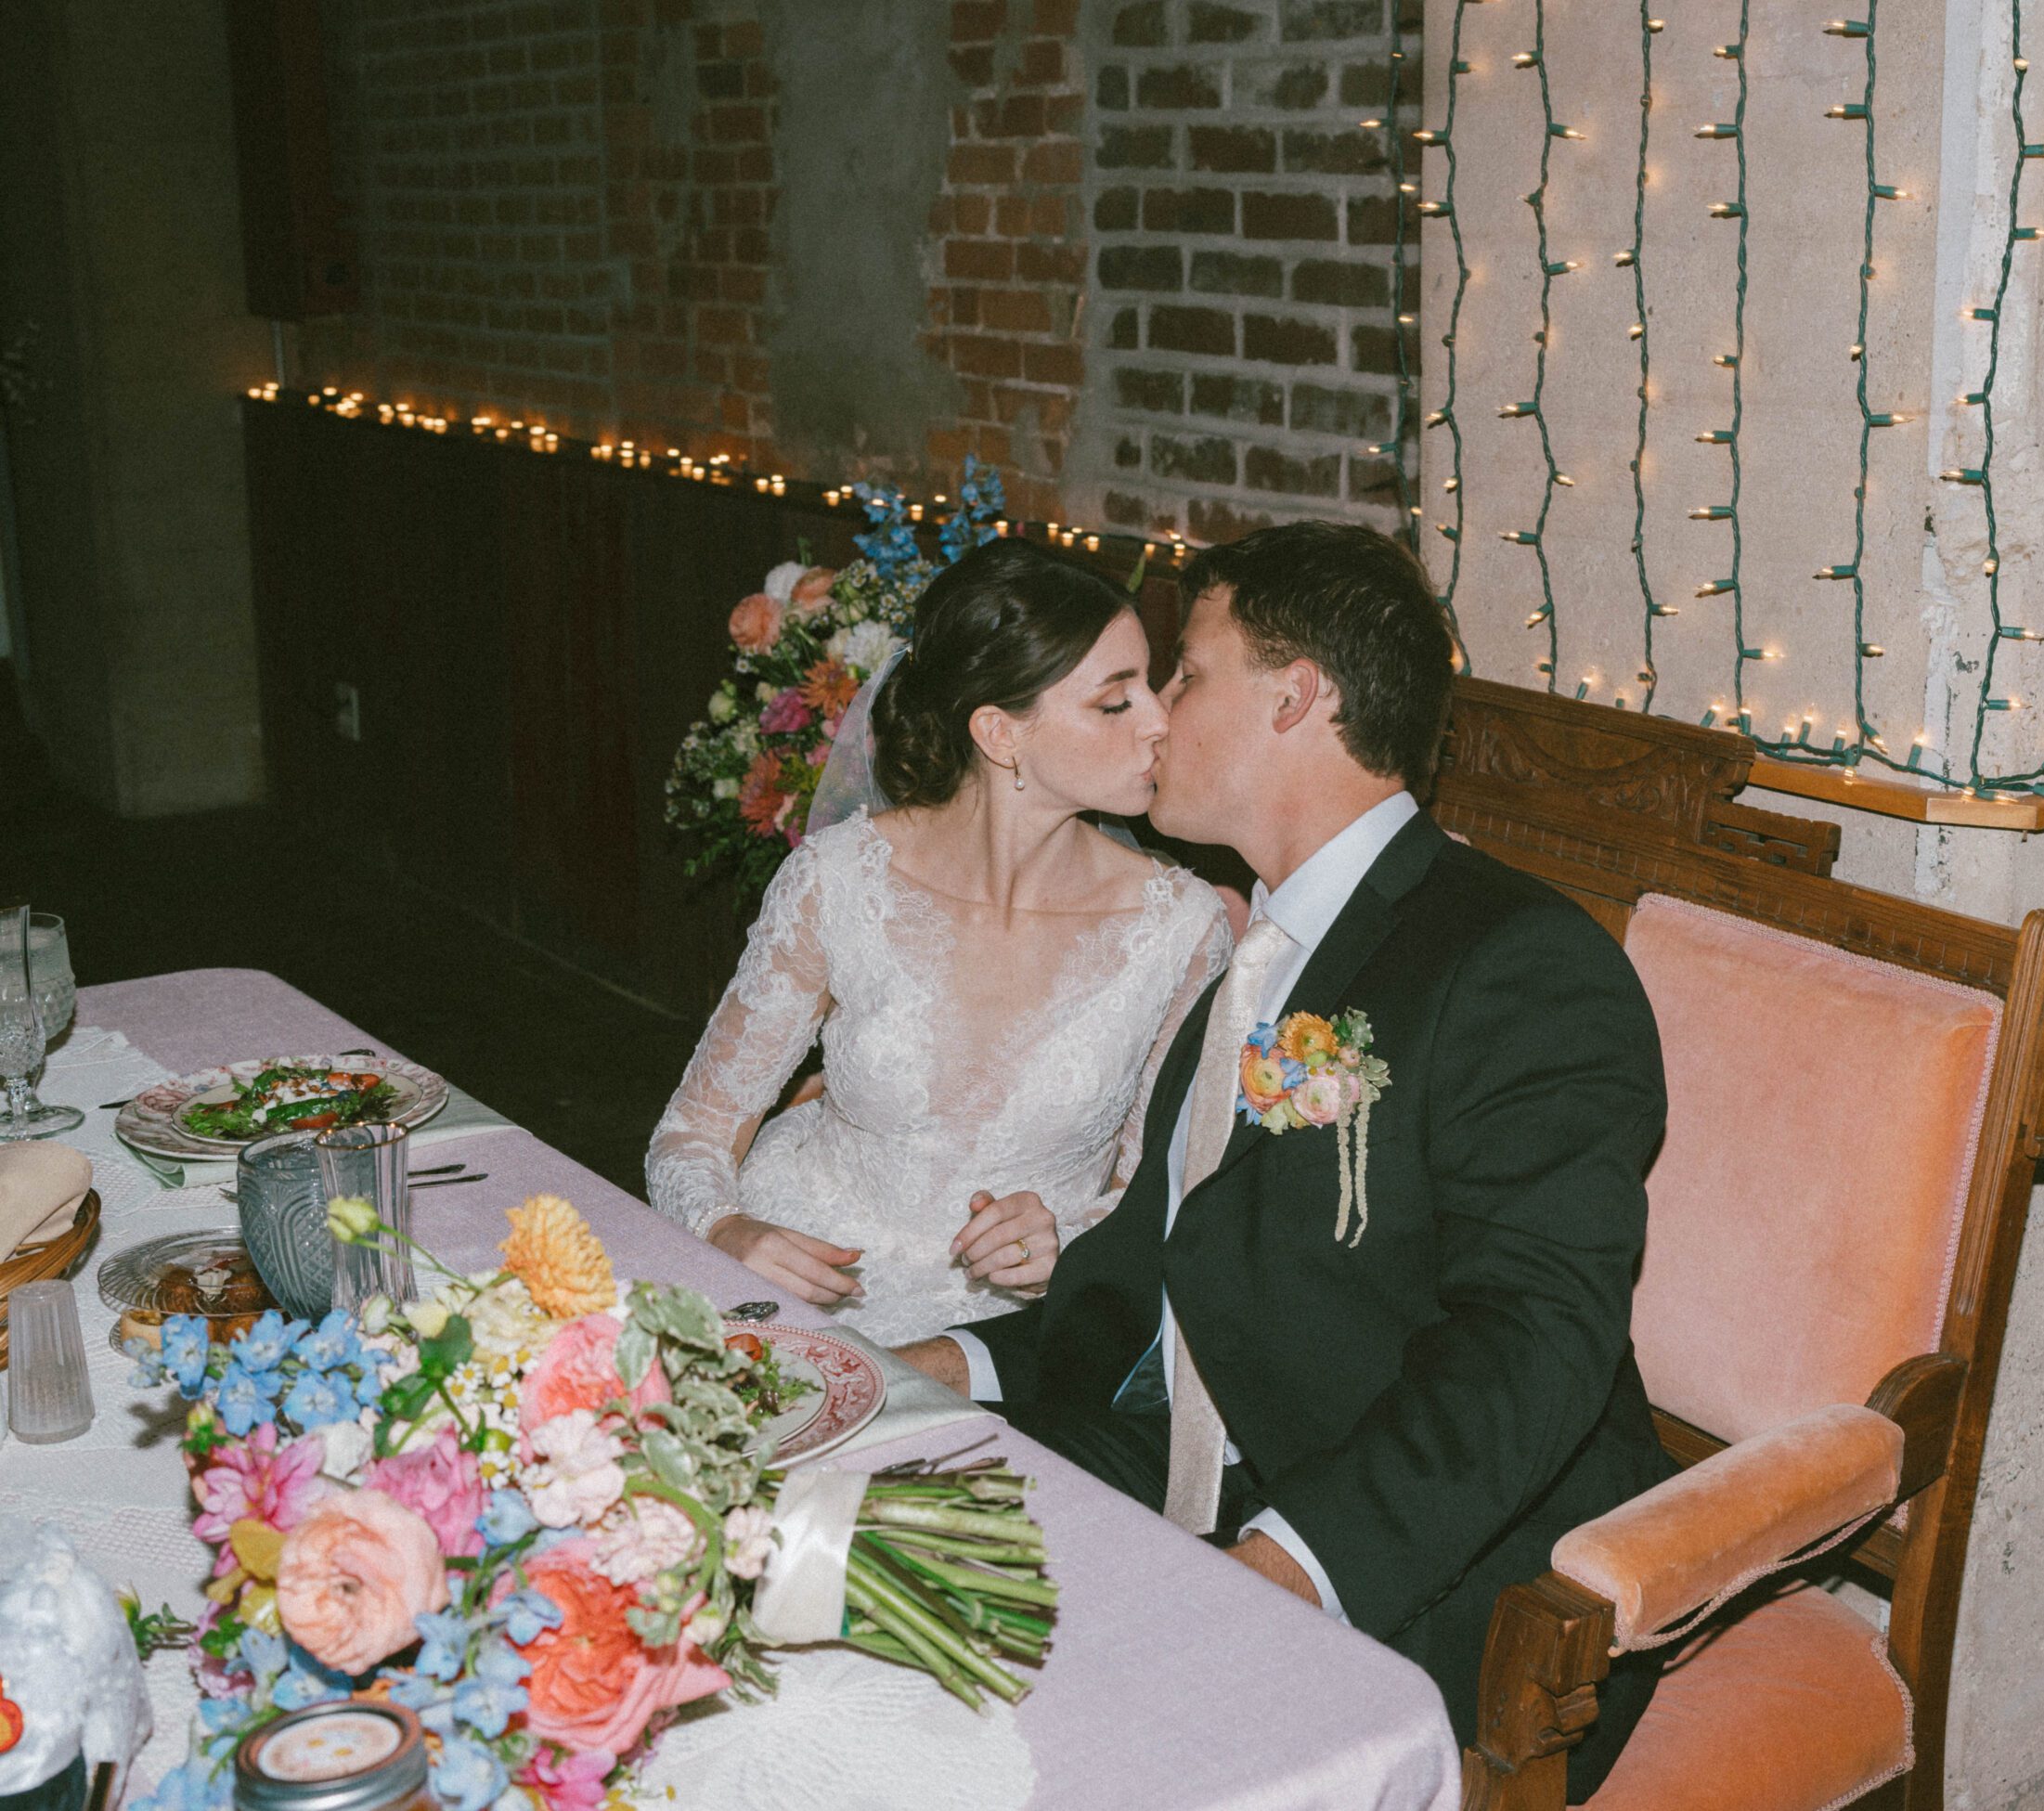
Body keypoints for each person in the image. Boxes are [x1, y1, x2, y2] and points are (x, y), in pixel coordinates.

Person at [899, 522, 1672, 1794]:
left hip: (1428, 1555)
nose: (1151, 715)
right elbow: (1160, 1268)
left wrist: (1279, 1565)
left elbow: (1533, 1340)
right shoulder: (1253, 957)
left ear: (1297, 695)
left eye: (1185, 674)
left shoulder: (1519, 963)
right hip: (1188, 1466)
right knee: (855, 1558)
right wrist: (946, 1359)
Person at [646, 538, 1231, 1347]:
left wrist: (1068, 1235)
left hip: (1004, 1341)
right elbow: (693, 1132)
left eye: (1152, 684)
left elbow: (1154, 1190)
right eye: (1114, 700)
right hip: (795, 1290)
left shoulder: (1181, 928)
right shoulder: (840, 880)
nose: (1162, 721)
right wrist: (729, 1231)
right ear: (1000, 732)